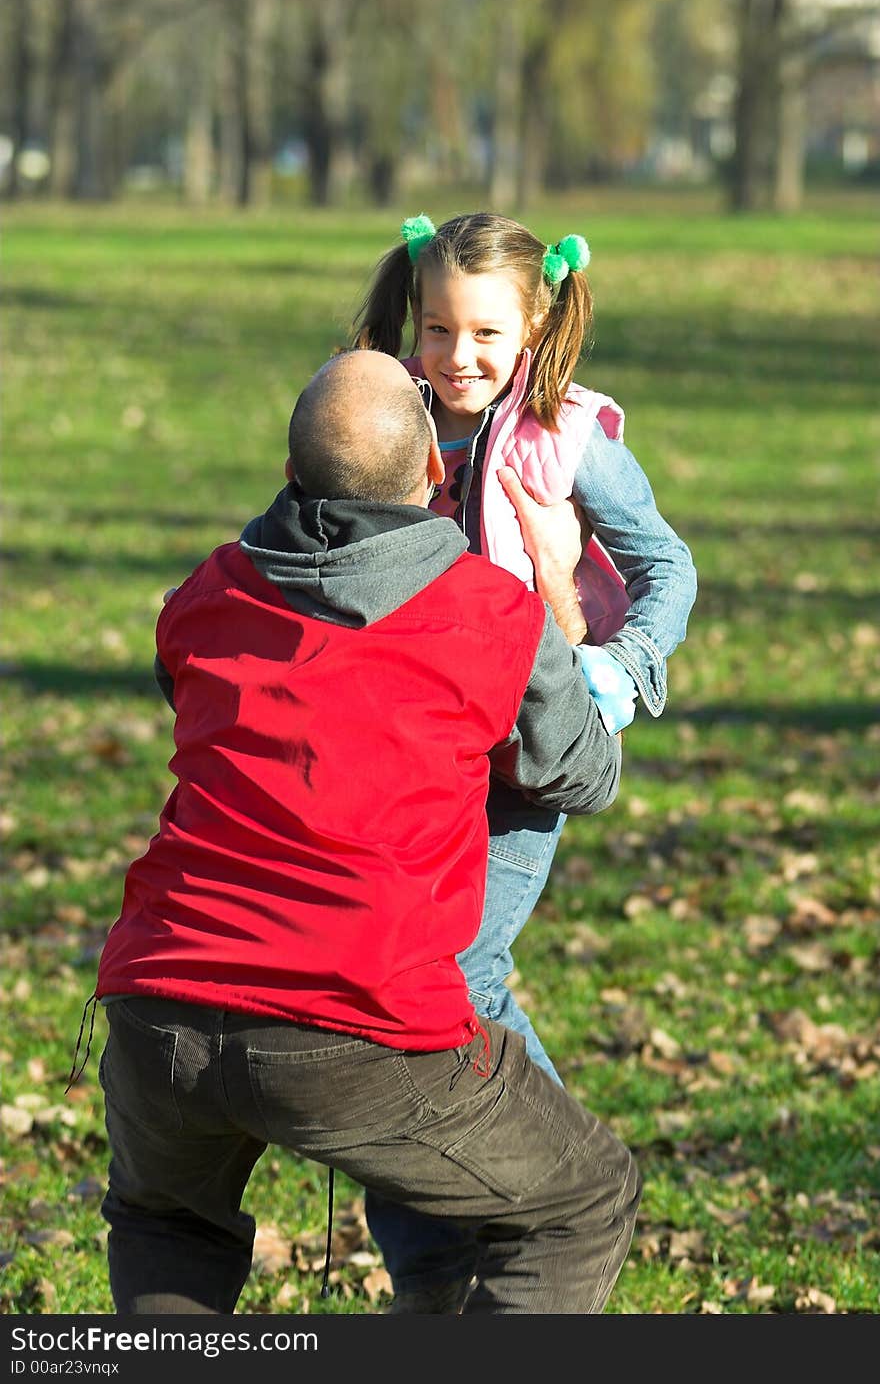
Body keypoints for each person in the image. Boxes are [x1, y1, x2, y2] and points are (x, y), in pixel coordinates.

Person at [89, 349, 641, 1316]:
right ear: (436, 472)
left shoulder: (214, 589)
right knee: (581, 1198)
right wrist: (557, 590)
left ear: (291, 468)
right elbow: (581, 771)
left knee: (168, 1224)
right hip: (352, 1019)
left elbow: (184, 678)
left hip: (157, 1005)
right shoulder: (489, 609)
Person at [348, 211, 697, 1306]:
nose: (459, 356)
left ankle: (556, 1174)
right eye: (440, 327)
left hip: (524, 754)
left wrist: (617, 669)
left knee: (459, 969)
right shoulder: (385, 413)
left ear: (538, 322)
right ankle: (431, 1255)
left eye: (487, 334)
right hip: (410, 749)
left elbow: (666, 566)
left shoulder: (566, 435)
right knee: (386, 984)